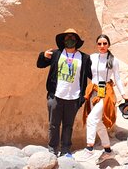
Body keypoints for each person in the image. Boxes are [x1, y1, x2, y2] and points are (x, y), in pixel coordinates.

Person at [37, 28, 92, 157]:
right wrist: (43, 56)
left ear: (77, 41)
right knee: (53, 125)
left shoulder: (84, 58)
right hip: (56, 95)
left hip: (73, 97)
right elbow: (40, 64)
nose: (70, 40)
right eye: (67, 38)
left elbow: (91, 74)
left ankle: (66, 150)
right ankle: (52, 149)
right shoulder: (56, 54)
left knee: (68, 125)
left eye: (72, 38)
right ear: (63, 40)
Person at [77, 34, 128, 161]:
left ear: (108, 45)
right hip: (93, 92)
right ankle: (108, 150)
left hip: (106, 93)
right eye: (99, 43)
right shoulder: (93, 57)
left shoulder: (113, 60)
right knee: (98, 123)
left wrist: (124, 94)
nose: (102, 46)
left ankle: (89, 148)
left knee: (91, 119)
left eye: (104, 43)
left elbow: (117, 78)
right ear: (96, 45)